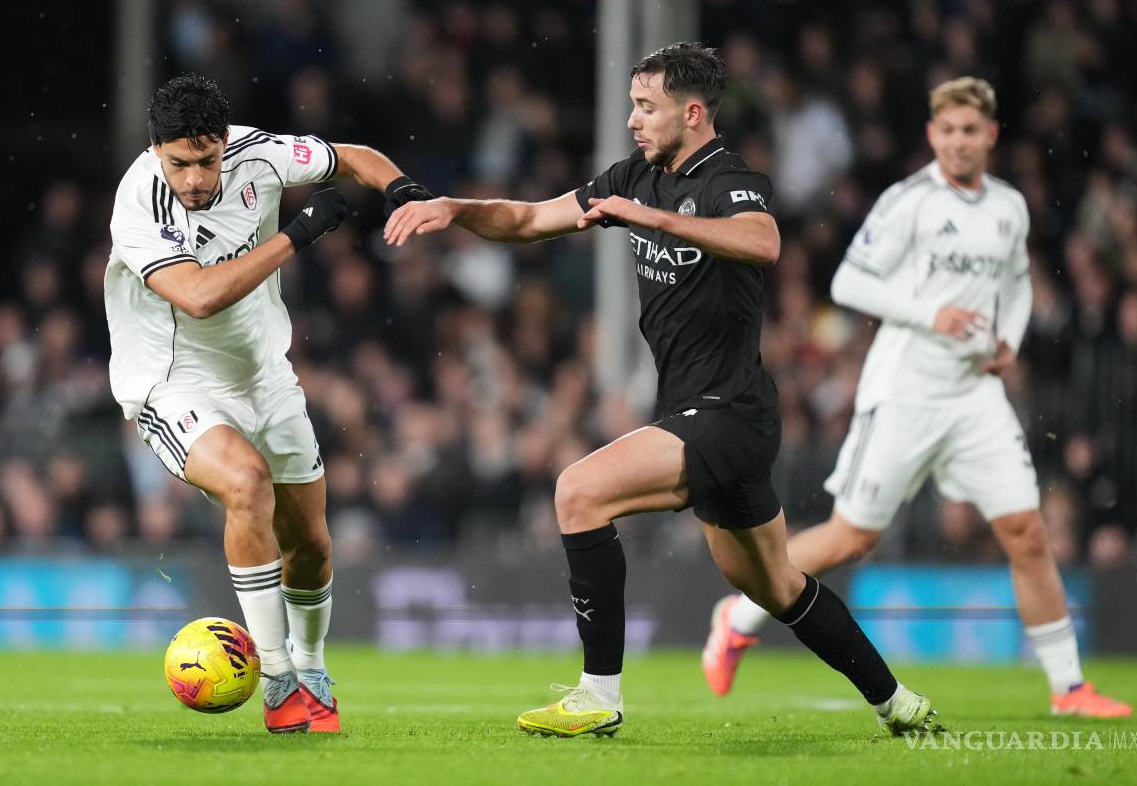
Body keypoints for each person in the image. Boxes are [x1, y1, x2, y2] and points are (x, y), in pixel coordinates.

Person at [385, 42, 935, 738]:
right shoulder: (634, 176)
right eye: (632, 105)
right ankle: (898, 704)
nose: (633, 120)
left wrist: (653, 218)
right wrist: (457, 209)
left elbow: (762, 243)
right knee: (778, 587)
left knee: (578, 492)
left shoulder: (728, 179)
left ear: (693, 112)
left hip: (726, 413)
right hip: (703, 413)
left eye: (647, 107)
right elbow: (529, 219)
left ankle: (598, 694)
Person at [700, 76, 1132, 719]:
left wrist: (1007, 339)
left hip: (975, 394)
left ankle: (1070, 689)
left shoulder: (1009, 207)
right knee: (851, 537)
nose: (959, 141)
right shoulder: (908, 202)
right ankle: (737, 612)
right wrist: (931, 314)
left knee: (1026, 531)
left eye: (971, 131)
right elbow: (849, 281)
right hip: (904, 392)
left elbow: (1016, 283)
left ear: (991, 136)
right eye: (948, 130)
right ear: (933, 135)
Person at [105, 74, 433, 733]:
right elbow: (197, 296)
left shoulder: (262, 154)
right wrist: (298, 234)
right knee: (246, 484)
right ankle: (279, 680)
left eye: (206, 160)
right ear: (154, 151)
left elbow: (356, 156)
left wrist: (401, 190)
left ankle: (311, 668)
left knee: (309, 541)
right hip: (171, 382)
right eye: (179, 163)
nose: (194, 179)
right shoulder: (140, 201)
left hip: (264, 375)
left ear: (225, 144)